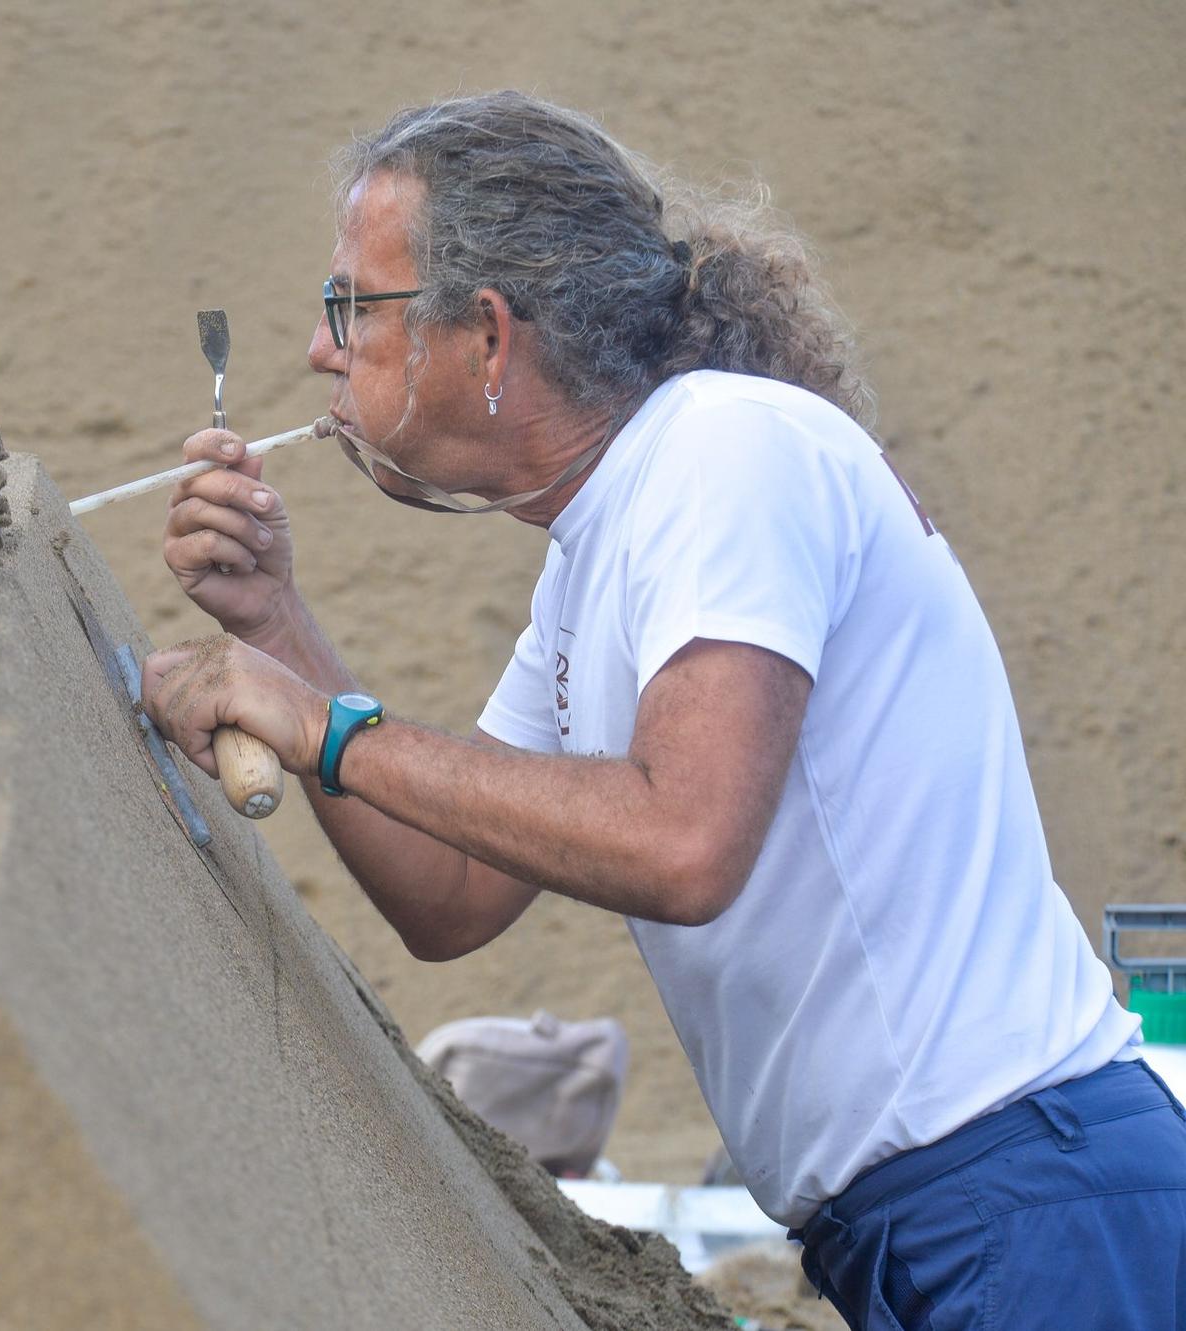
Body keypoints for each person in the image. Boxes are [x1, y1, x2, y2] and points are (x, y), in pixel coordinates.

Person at [142, 91, 1186, 1329]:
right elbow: (448, 894)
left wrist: (318, 726)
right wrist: (273, 628)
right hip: (956, 1209)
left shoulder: (721, 451)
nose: (320, 351)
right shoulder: (600, 542)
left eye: (348, 307)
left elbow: (683, 842)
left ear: (484, 336)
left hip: (1025, 1192)